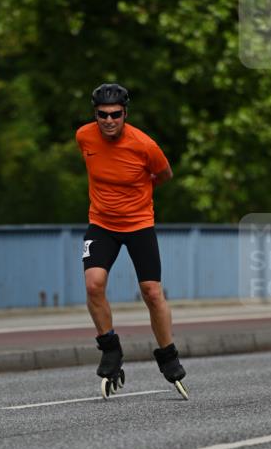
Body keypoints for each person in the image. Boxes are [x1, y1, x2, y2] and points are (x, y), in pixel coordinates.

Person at [75, 82, 188, 397]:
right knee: (93, 284)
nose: (109, 121)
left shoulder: (144, 145)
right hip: (101, 224)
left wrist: (142, 192)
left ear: (125, 113)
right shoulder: (84, 136)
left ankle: (168, 356)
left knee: (151, 292)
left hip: (139, 224)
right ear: (95, 114)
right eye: (102, 115)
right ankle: (111, 349)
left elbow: (164, 175)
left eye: (115, 115)